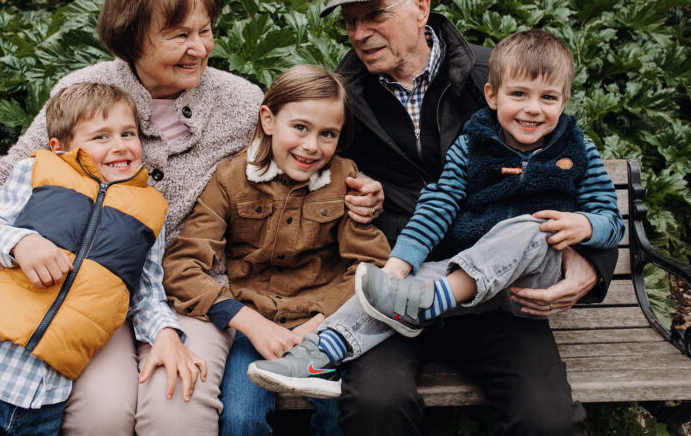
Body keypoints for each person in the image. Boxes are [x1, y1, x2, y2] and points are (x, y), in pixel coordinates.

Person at [0, 0, 382, 434]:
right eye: (178, 35)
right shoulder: (85, 93)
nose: (199, 48)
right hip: (91, 291)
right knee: (98, 416)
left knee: (178, 410)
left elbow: (301, 162)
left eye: (204, 31)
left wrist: (363, 192)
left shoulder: (240, 103)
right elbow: (11, 172)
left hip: (193, 296)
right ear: (132, 37)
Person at [313, 0, 619, 435]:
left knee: (548, 423)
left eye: (373, 15)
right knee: (374, 408)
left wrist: (590, 264)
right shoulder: (342, 98)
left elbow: (576, 175)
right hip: (399, 293)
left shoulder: (498, 78)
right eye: (349, 21)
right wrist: (349, 193)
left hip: (499, 296)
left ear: (421, 7)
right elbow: (296, 174)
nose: (359, 34)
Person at [247, 30, 626, 399]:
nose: (532, 108)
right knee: (399, 287)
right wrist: (398, 265)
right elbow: (439, 203)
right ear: (491, 96)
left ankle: (430, 298)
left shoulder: (578, 151)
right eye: (519, 94)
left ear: (564, 101)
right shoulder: (473, 144)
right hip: (461, 277)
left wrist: (585, 224)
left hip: (527, 284)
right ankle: (319, 355)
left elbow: (611, 222)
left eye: (548, 97)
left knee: (535, 225)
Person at [0, 83, 206, 435]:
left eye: (128, 133)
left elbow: (145, 290)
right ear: (60, 147)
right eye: (101, 137)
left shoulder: (151, 210)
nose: (120, 146)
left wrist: (165, 332)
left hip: (45, 393)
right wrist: (22, 242)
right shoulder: (39, 171)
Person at [161, 64, 391, 435]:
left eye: (327, 134)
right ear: (268, 119)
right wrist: (246, 321)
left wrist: (321, 323)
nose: (312, 146)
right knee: (240, 419)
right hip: (255, 326)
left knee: (340, 414)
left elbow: (371, 266)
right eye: (300, 127)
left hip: (325, 328)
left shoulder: (345, 179)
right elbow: (181, 266)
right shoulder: (229, 179)